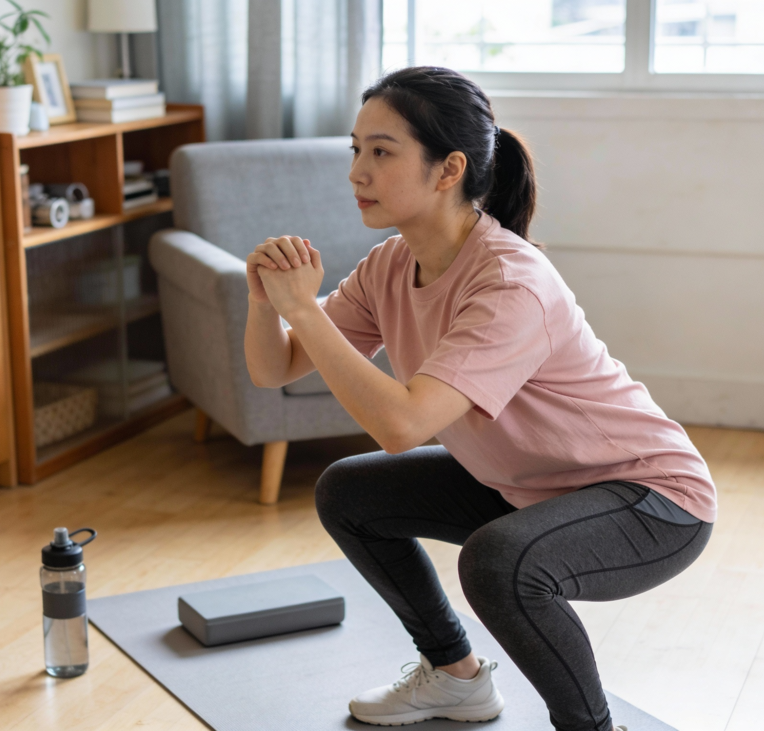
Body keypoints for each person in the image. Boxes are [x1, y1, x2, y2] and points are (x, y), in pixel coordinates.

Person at [242, 66, 717, 731]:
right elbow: (277, 368)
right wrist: (267, 305)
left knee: (498, 561)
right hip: (534, 485)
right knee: (349, 494)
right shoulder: (390, 265)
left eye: (381, 151)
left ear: (447, 169)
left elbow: (403, 425)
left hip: (652, 500)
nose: (357, 172)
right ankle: (455, 678)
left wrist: (308, 312)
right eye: (356, 150)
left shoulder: (508, 282)